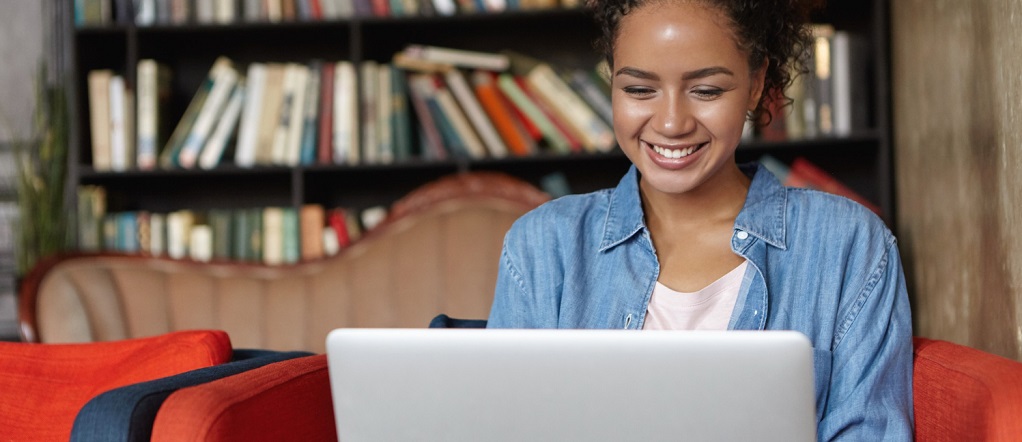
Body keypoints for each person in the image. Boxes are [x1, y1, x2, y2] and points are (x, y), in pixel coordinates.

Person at [487, 0, 914, 439]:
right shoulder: (542, 246)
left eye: (706, 91)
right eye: (638, 90)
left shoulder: (847, 245)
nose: (672, 123)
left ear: (756, 83)